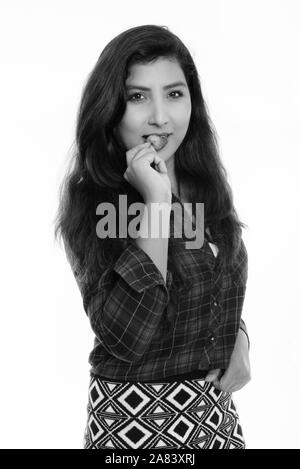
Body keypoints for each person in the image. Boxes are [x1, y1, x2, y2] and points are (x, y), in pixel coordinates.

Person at [54, 24, 251, 450]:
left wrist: (239, 337)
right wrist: (156, 203)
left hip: (212, 415)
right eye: (138, 96)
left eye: (175, 94)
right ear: (111, 107)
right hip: (136, 422)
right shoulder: (97, 203)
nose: (161, 116)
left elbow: (212, 277)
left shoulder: (202, 186)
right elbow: (128, 335)